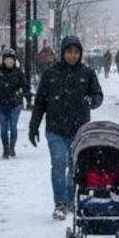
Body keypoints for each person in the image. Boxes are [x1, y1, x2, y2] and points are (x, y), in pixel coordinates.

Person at [28, 35, 102, 220]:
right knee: (59, 164)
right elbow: (40, 102)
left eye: (76, 52)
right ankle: (60, 203)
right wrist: (34, 126)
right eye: (69, 52)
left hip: (79, 130)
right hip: (56, 129)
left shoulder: (87, 73)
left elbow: (98, 95)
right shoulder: (51, 74)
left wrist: (91, 101)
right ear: (63, 53)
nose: (72, 56)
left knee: (74, 166)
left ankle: (70, 201)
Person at [0, 48, 30, 158]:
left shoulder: (18, 72)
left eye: (11, 60)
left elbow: (25, 86)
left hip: (15, 104)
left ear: (14, 61)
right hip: (0, 103)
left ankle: (12, 148)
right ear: (3, 60)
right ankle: (5, 149)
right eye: (7, 60)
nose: (9, 62)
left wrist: (24, 93)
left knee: (13, 126)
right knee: (4, 128)